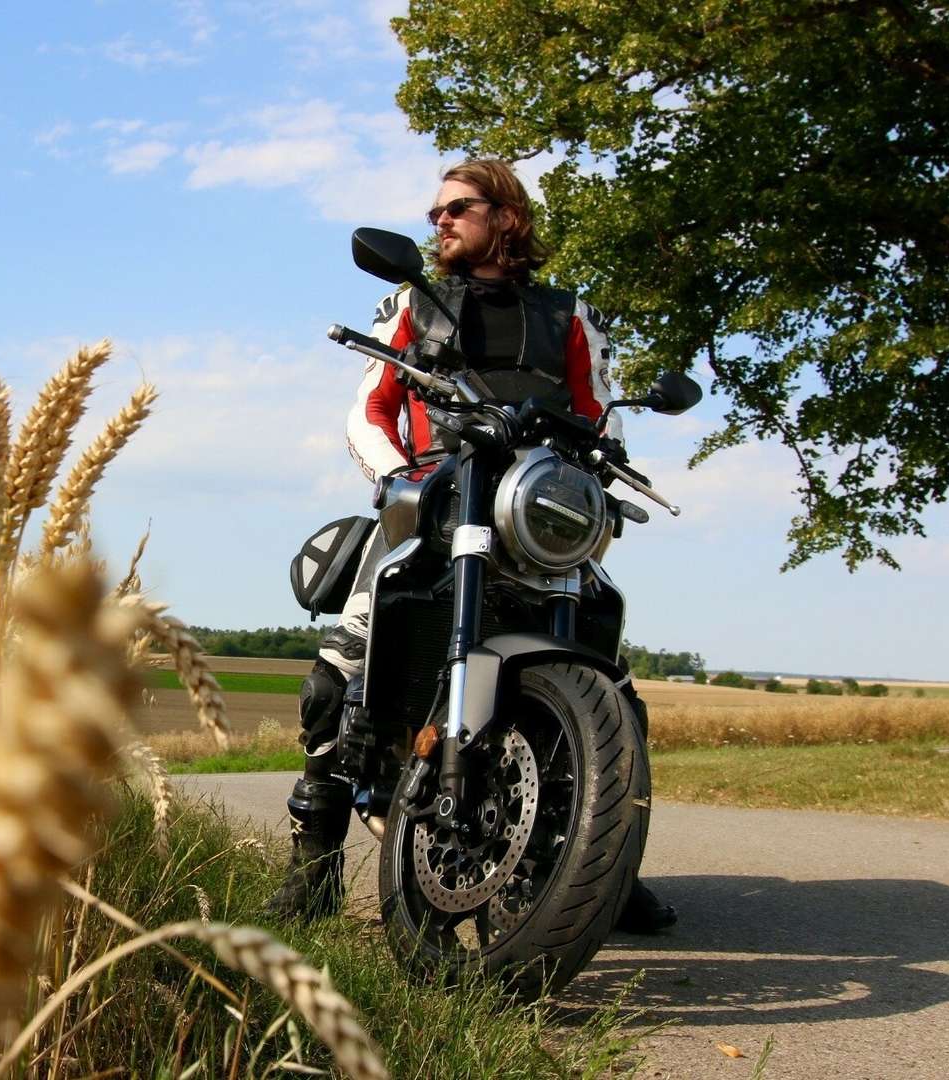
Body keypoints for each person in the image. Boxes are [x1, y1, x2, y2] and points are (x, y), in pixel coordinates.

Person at [265, 158, 677, 934]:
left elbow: (601, 416)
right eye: (435, 211)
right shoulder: (412, 303)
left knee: (616, 689)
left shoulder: (568, 315)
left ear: (506, 218)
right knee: (334, 677)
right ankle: (313, 866)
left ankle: (606, 867)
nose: (438, 222)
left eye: (456, 208)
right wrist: (394, 481)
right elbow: (371, 408)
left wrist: (599, 475)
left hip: (535, 508)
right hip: (433, 500)